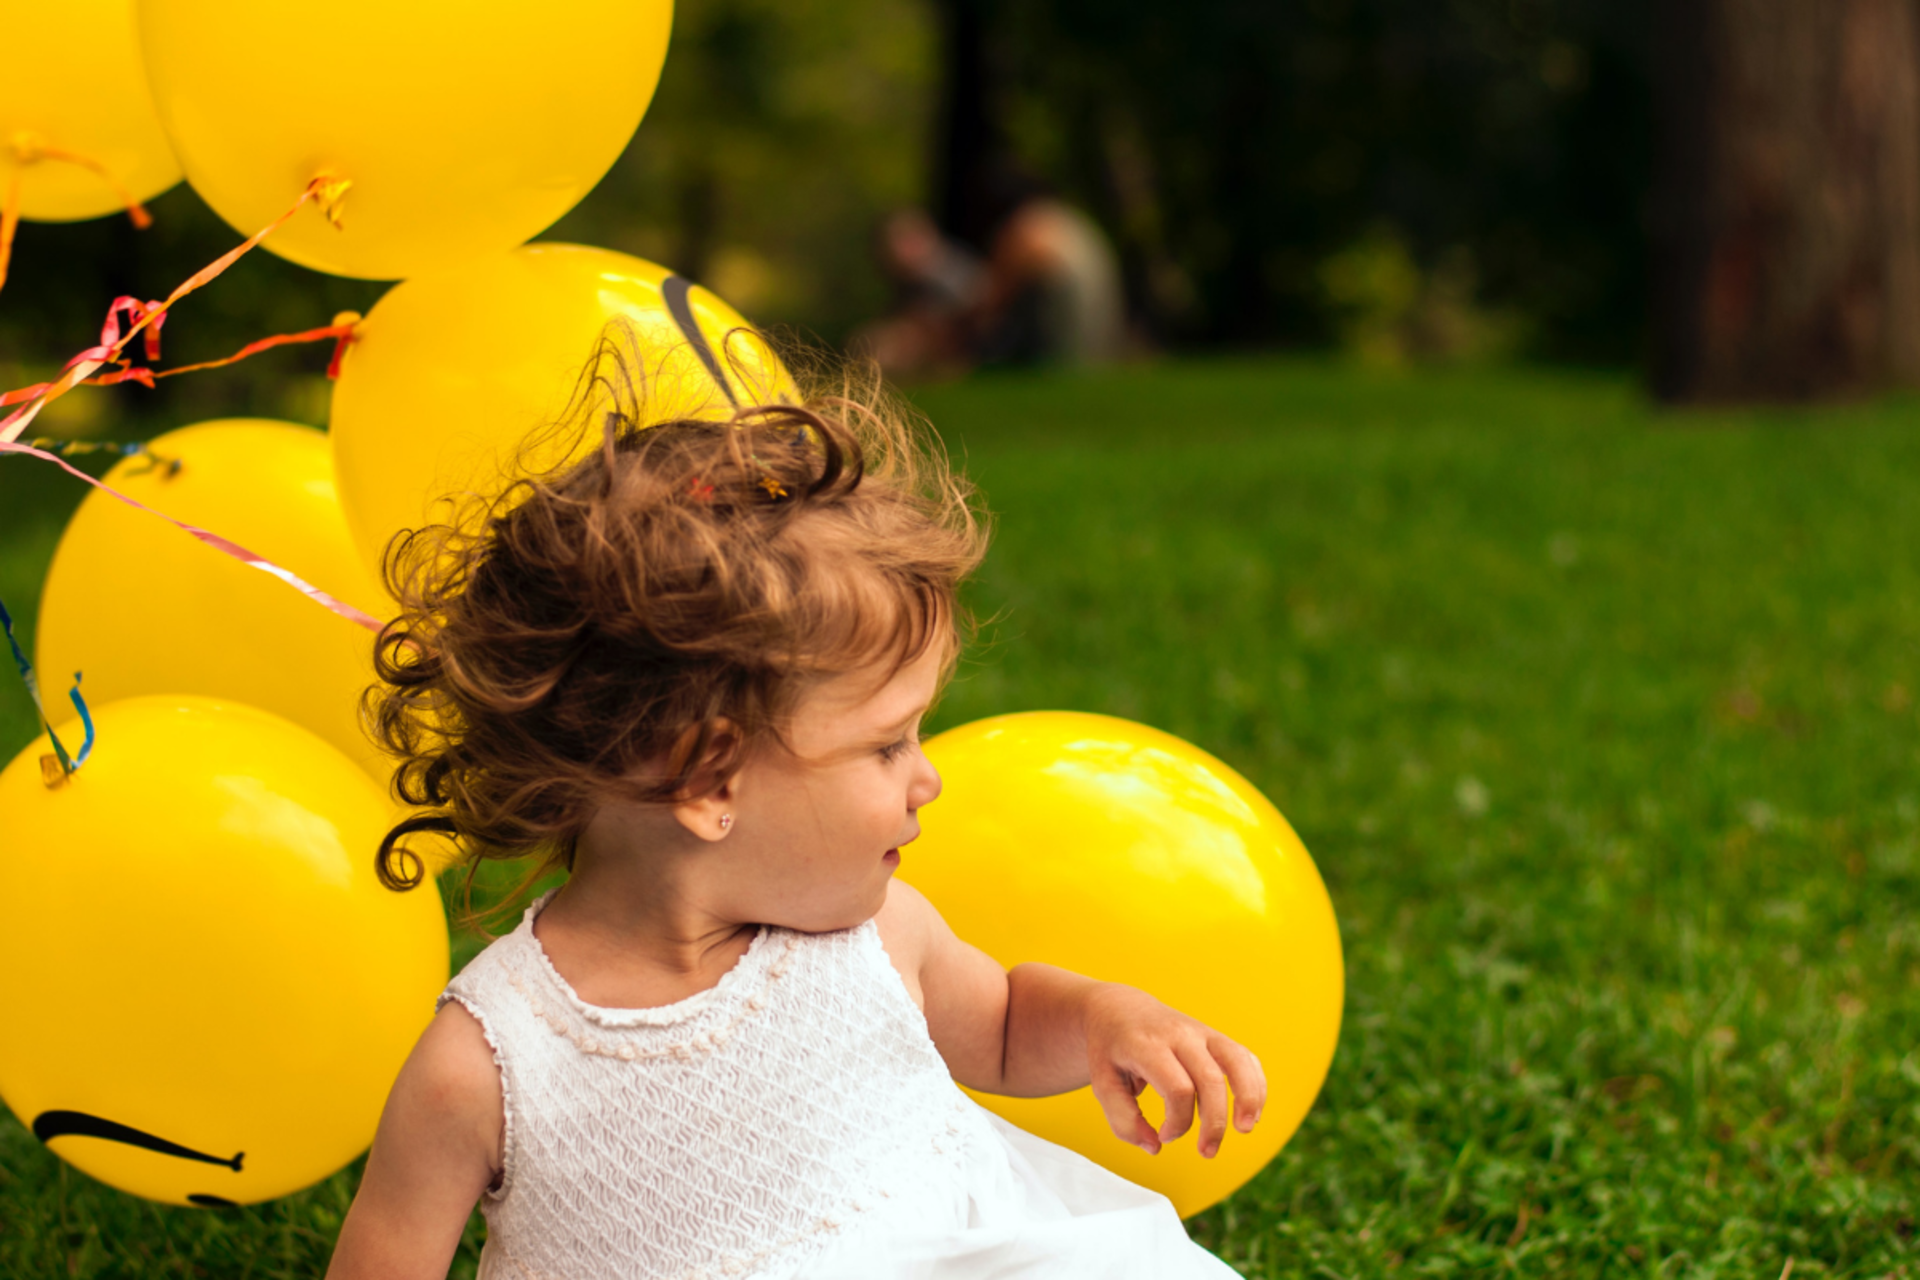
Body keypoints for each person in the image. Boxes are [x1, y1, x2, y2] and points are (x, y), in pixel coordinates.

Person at [324, 335, 1263, 1279]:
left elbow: (1008, 1023)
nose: (926, 777)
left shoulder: (876, 938)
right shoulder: (491, 1064)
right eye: (888, 744)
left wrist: (1109, 1020)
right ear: (708, 783)